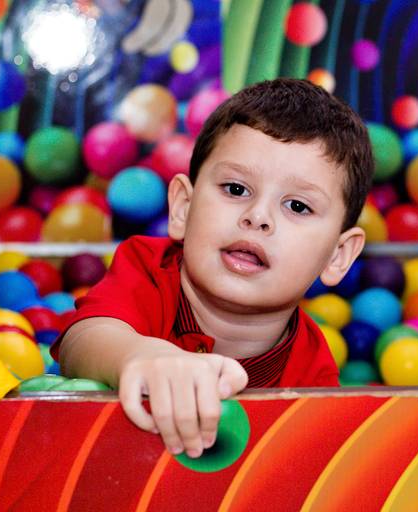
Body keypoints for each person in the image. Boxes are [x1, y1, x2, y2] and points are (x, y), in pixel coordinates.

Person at [52, 78, 374, 459]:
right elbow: (80, 342)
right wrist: (136, 355)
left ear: (338, 255)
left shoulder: (312, 367)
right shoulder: (148, 268)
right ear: (183, 208)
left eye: (297, 206)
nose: (257, 217)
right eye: (236, 189)